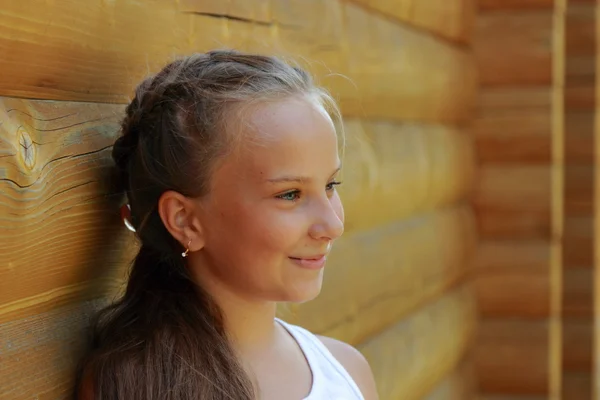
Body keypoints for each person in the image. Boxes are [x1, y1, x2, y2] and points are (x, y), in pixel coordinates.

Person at [76, 50, 378, 400]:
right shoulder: (134, 388)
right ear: (185, 220)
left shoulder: (348, 374)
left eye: (330, 186)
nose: (332, 224)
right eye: (290, 194)